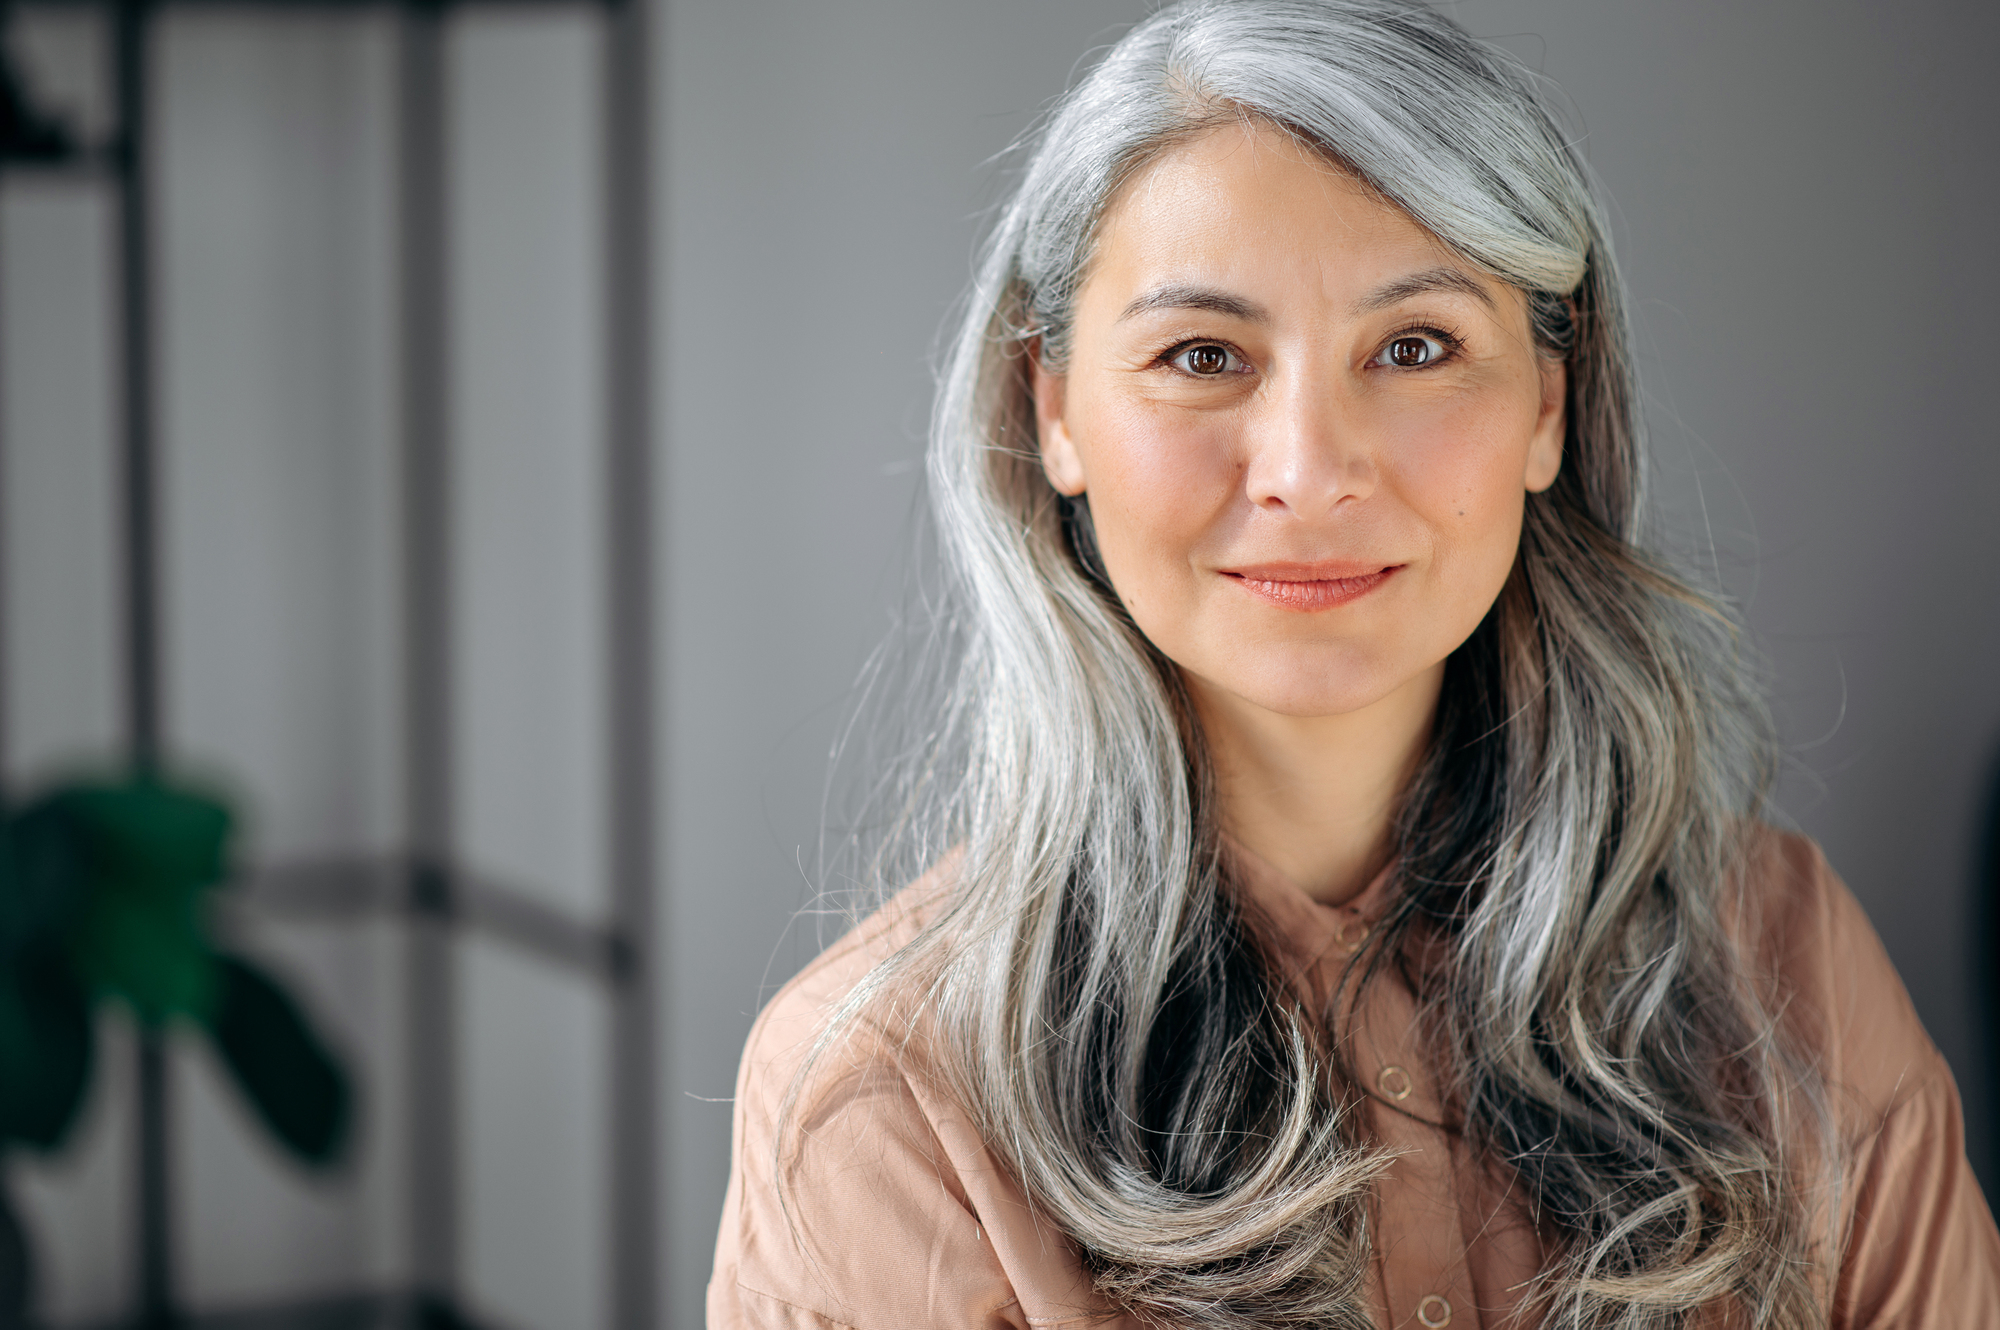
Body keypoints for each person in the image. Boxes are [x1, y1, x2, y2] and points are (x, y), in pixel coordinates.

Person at [707, 1, 2000, 1325]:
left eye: (1416, 347)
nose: (1310, 472)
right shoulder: (882, 1099)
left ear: (1548, 402)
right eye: (1203, 356)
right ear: (1052, 408)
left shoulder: (1783, 954)